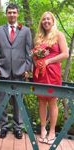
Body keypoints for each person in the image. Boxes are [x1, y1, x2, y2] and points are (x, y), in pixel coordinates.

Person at [0, 3, 32, 139]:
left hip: (20, 71)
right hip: (2, 71)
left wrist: (28, 69)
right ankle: (4, 127)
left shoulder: (25, 31)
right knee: (2, 101)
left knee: (17, 101)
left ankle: (18, 127)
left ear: (17, 14)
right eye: (10, 12)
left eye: (14, 12)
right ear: (6, 14)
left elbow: (28, 52)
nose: (12, 15)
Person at [32, 11, 69, 145]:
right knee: (41, 101)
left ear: (53, 21)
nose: (46, 21)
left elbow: (65, 54)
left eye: (48, 19)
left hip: (53, 73)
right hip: (40, 73)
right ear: (41, 22)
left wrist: (48, 61)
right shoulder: (39, 37)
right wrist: (37, 61)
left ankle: (52, 131)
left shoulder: (59, 35)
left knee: (52, 101)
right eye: (44, 19)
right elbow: (35, 54)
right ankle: (43, 129)